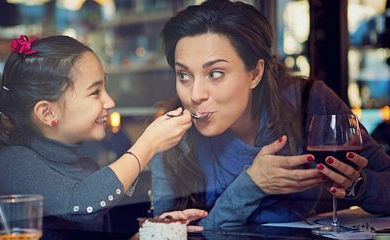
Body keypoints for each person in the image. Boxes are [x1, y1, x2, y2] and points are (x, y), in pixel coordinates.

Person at [151, 0, 390, 229]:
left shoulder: (309, 102)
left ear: (255, 73)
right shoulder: (171, 135)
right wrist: (252, 185)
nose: (195, 94)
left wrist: (357, 185)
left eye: (215, 73)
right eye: (184, 75)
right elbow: (166, 233)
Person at [0, 35, 207, 235]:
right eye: (95, 92)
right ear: (48, 112)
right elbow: (79, 204)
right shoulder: (12, 163)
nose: (110, 101)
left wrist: (158, 232)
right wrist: (148, 145)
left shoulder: (85, 166)